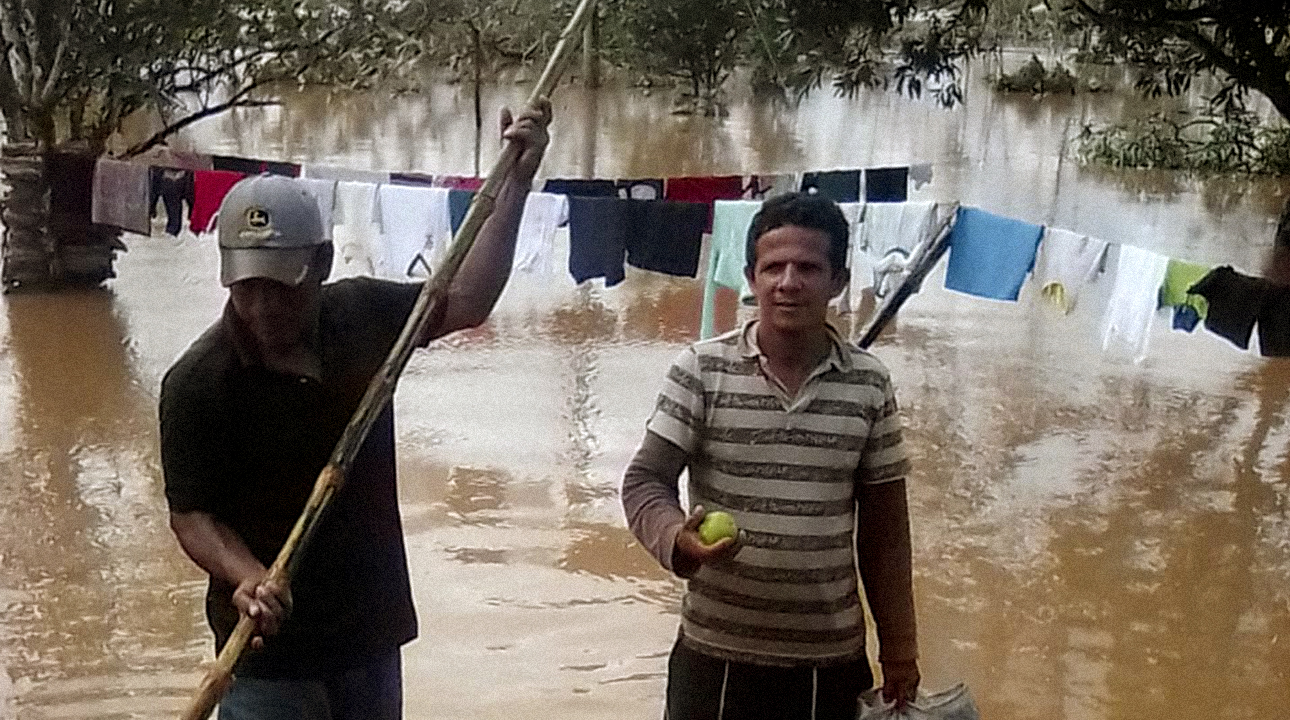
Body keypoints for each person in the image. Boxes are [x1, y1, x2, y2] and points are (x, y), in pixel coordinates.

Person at [159, 100, 551, 719]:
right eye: (247, 287)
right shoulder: (198, 382)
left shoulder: (363, 316)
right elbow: (191, 515)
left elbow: (468, 300)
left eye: (279, 288)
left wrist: (516, 185)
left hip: (369, 632)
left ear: (321, 263)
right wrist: (247, 575)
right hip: (269, 655)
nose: (262, 309)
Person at [621, 192, 920, 720]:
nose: (788, 282)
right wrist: (678, 539)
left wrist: (899, 648)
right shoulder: (701, 371)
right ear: (750, 277)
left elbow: (885, 531)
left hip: (829, 663)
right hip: (714, 657)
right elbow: (645, 482)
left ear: (838, 282)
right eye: (773, 267)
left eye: (807, 268)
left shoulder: (869, 383)